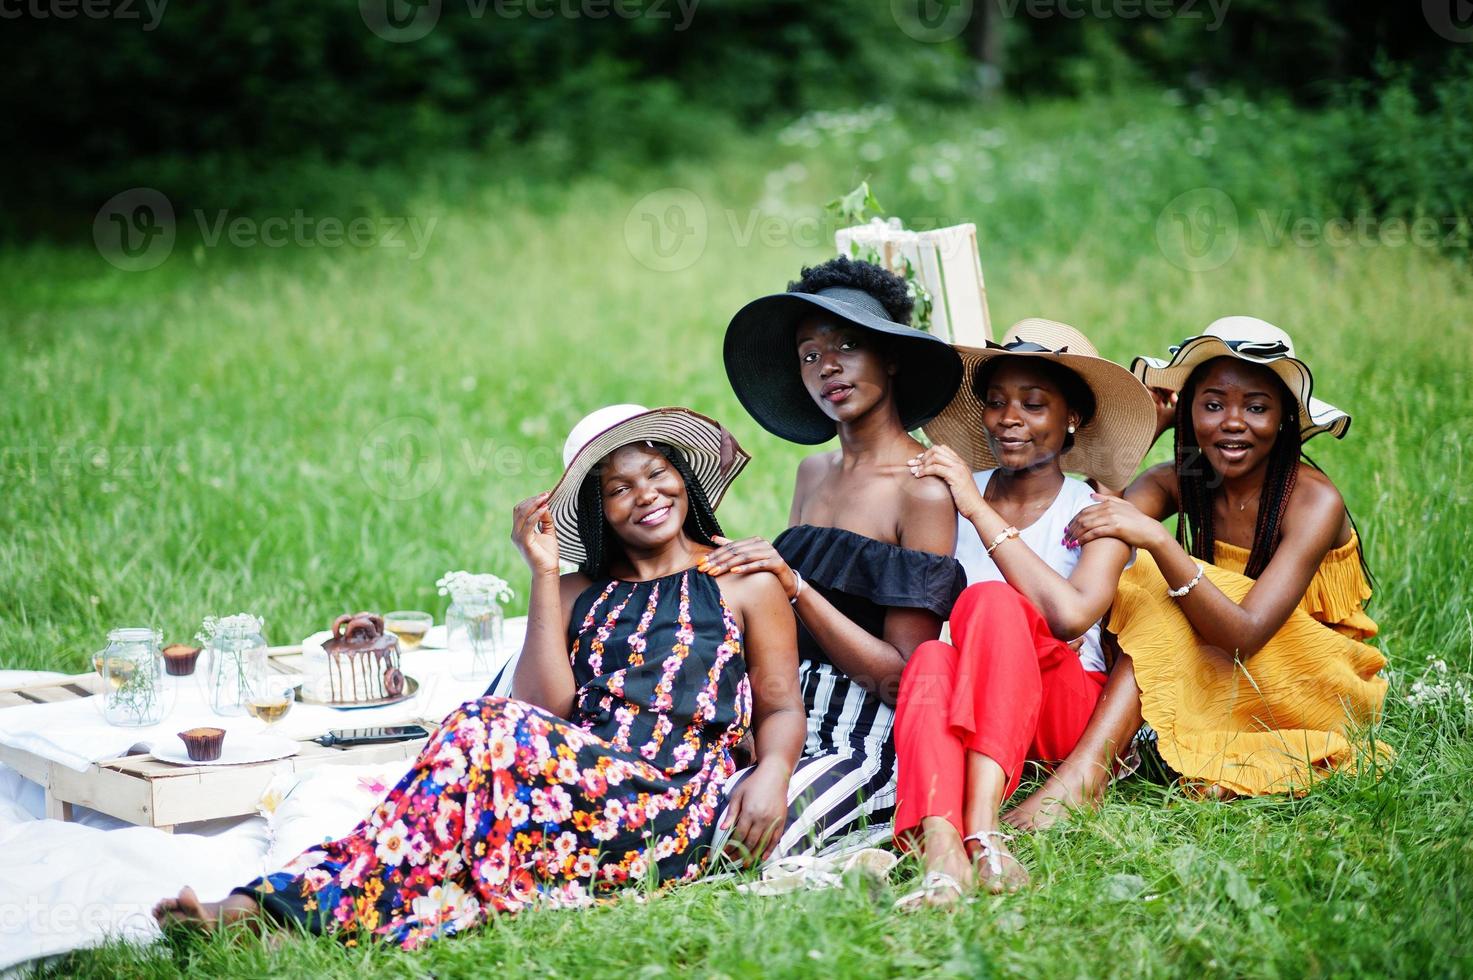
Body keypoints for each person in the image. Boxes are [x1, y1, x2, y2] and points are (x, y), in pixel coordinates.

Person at [155, 405, 806, 947]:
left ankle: (267, 910)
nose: (645, 496)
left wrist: (772, 772)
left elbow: (778, 707)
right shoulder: (580, 591)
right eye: (617, 488)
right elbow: (543, 709)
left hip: (669, 808)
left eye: (657, 473)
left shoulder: (741, 576)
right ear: (596, 509)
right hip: (579, 791)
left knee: (476, 725)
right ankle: (272, 916)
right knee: (446, 812)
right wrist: (543, 573)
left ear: (684, 478)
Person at [1005, 316, 1389, 831]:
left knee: (1154, 580)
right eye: (1211, 405)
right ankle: (1102, 760)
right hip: (1234, 674)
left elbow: (1244, 636)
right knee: (1125, 564)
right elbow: (1097, 521)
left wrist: (1162, 541)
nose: (1232, 422)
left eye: (1256, 407)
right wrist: (1154, 431)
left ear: (1284, 420)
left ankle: (1085, 777)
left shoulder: (1313, 501)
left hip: (1314, 684)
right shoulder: (1182, 480)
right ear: (1189, 413)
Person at [707, 256, 968, 858]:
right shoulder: (813, 471)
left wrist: (795, 585)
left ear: (892, 357)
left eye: (848, 345)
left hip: (864, 732)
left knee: (741, 847)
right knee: (670, 806)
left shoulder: (921, 489)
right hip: (778, 712)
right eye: (809, 354)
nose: (827, 366)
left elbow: (901, 679)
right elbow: (775, 619)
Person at [896, 318, 1157, 903]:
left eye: (1034, 404)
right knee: (933, 657)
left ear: (1072, 419)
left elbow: (1070, 618)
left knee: (990, 601)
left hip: (1062, 709)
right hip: (970, 701)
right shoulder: (950, 492)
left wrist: (977, 509)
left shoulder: (1096, 511)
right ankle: (944, 850)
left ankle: (984, 825)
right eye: (995, 402)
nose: (1009, 417)